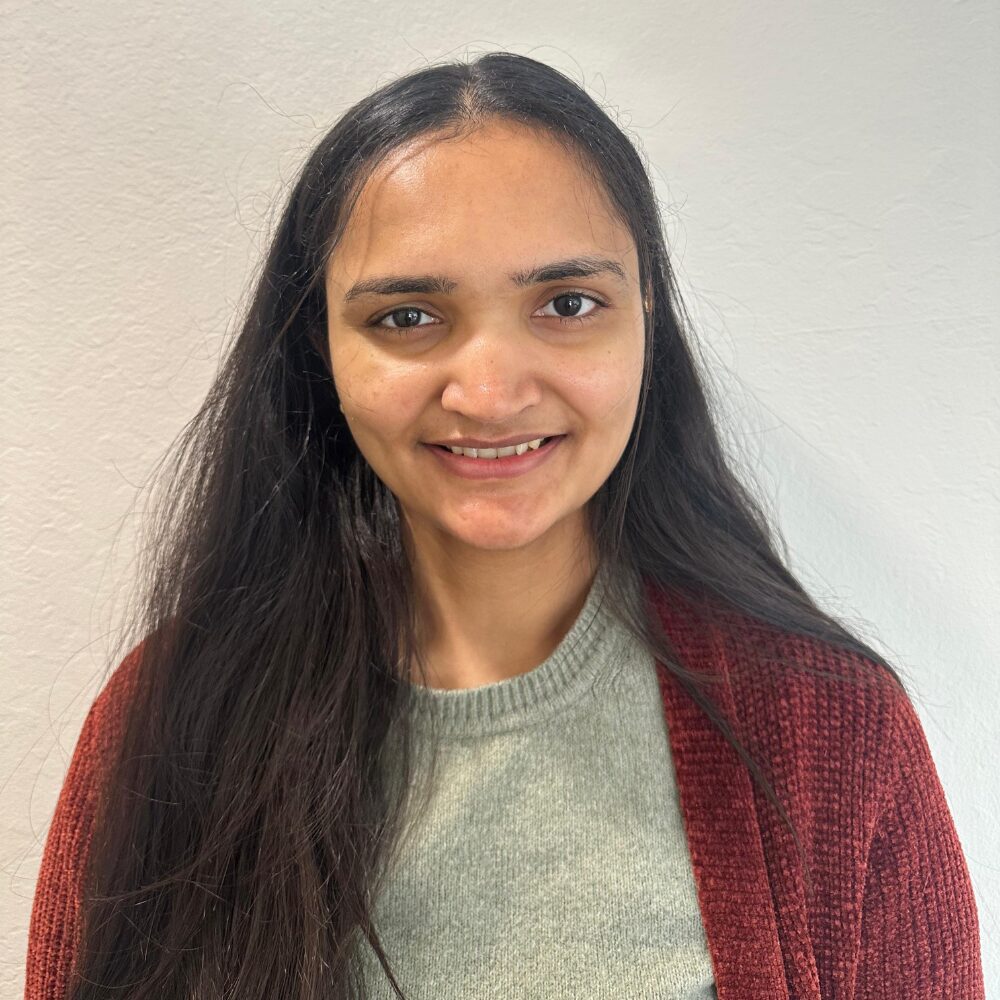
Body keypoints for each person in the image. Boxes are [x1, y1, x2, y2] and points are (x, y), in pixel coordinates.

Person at [24, 52, 983, 1000]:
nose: (488, 395)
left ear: (647, 315)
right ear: (321, 346)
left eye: (567, 304)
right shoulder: (169, 729)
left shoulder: (832, 729)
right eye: (407, 317)